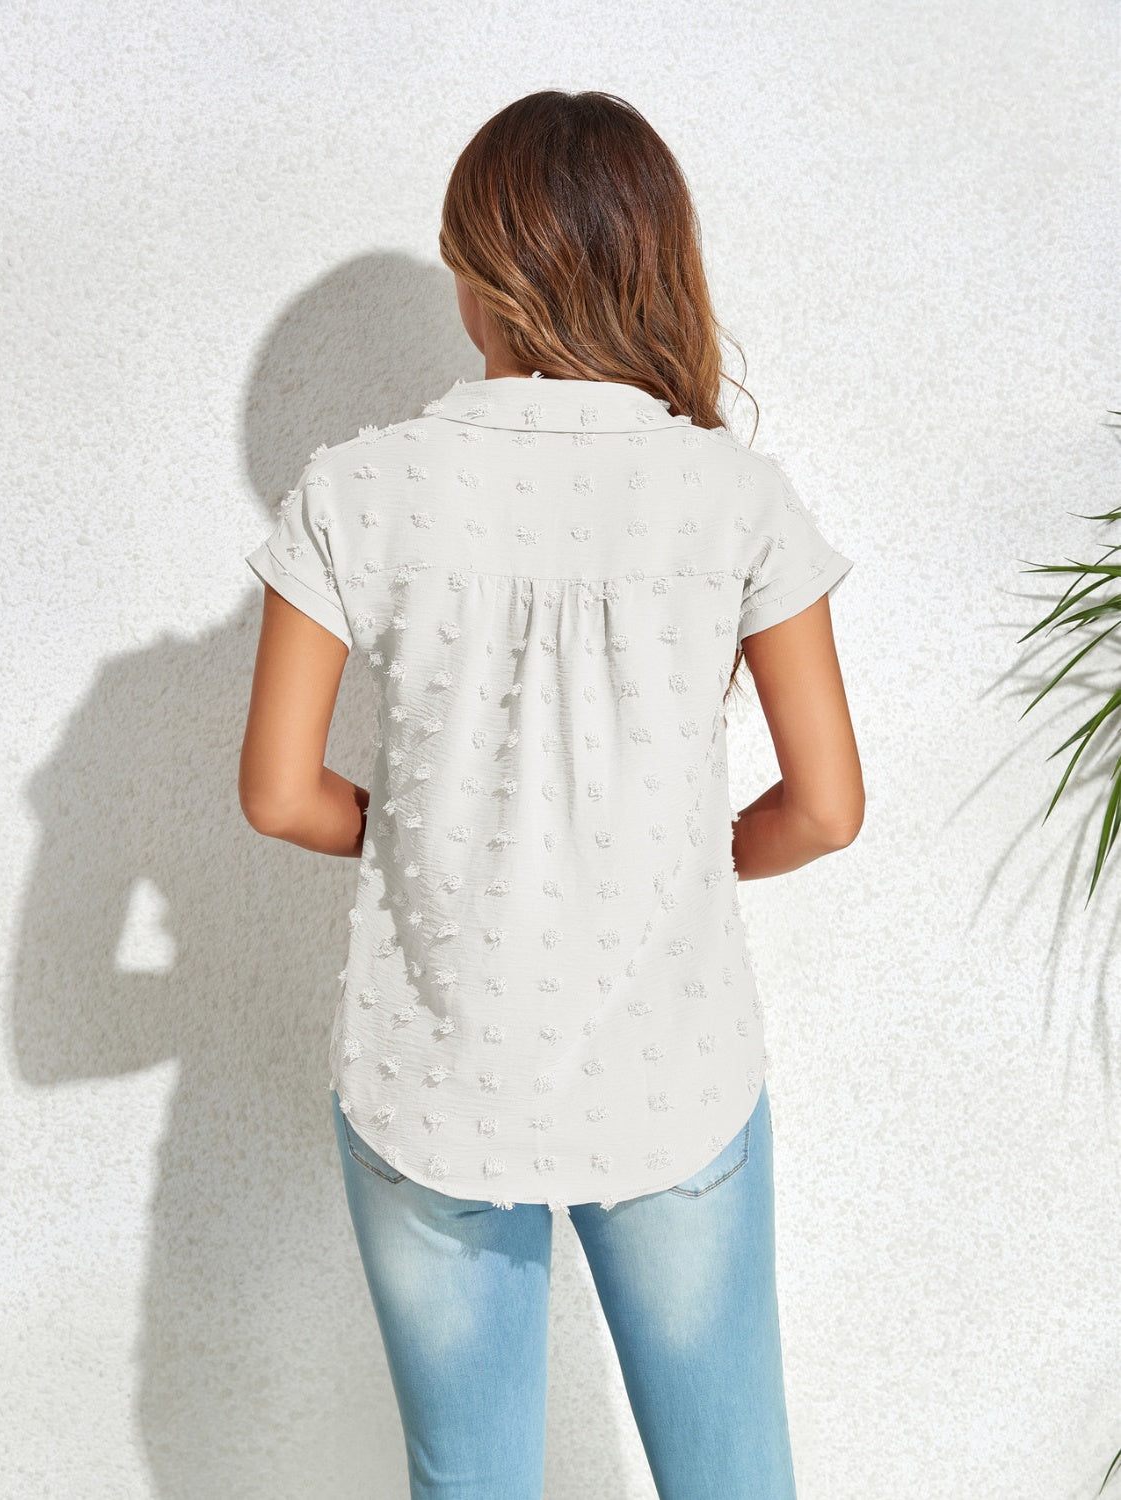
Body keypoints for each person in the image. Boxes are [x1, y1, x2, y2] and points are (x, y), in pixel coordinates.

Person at [239, 89, 863, 1500]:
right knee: (733, 1476)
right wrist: (676, 853)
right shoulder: (734, 495)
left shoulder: (358, 489)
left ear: (476, 275)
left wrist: (417, 833)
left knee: (467, 1483)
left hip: (428, 1075)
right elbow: (825, 808)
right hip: (671, 1065)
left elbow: (278, 794)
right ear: (653, 265)